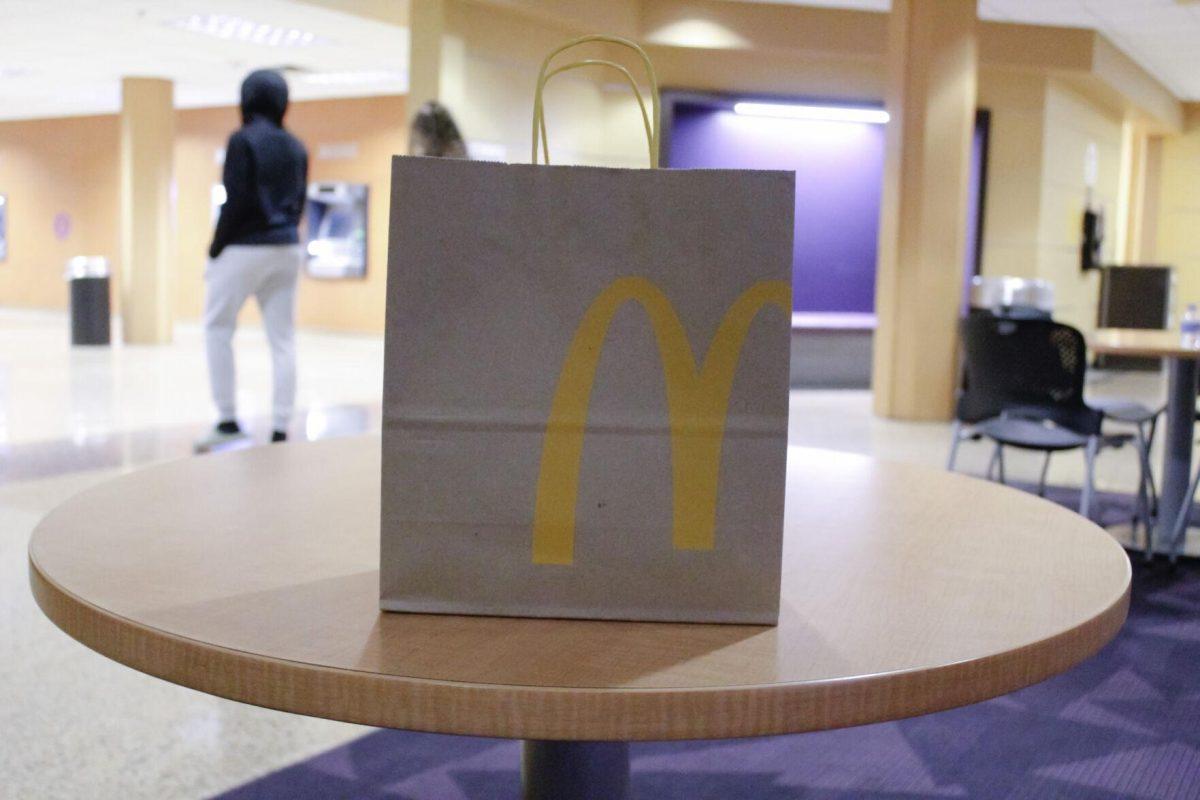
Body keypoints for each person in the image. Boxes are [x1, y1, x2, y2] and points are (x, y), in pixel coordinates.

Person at [194, 70, 309, 453]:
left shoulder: (242, 141)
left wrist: (215, 247)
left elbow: (236, 200)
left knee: (217, 327)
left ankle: (227, 421)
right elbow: (301, 203)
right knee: (283, 339)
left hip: (245, 246)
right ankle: (280, 427)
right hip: (287, 248)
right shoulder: (297, 147)